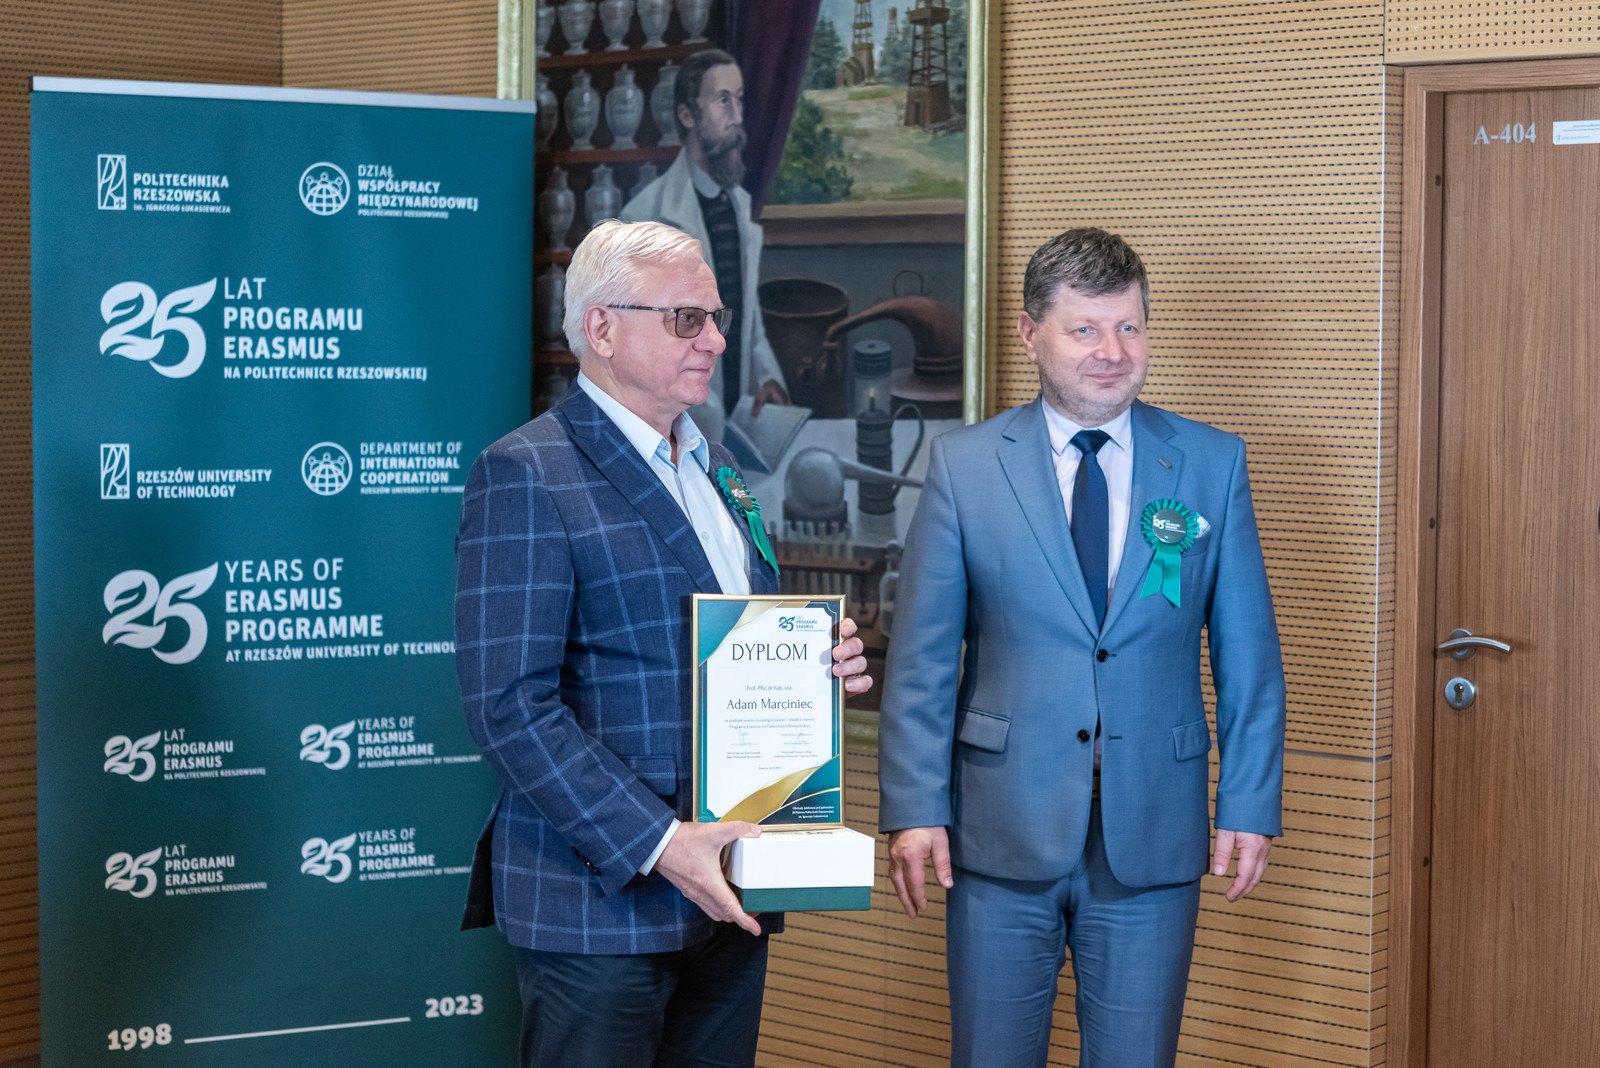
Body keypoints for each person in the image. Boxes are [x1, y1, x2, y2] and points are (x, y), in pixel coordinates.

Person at [454, 219, 872, 1067]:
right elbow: (509, 706)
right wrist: (661, 843)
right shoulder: (527, 472)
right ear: (602, 328)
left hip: (731, 888)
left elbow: (727, 646)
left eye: (716, 318)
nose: (715, 340)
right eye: (687, 318)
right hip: (599, 901)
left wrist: (818, 661)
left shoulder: (717, 468)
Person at [877, 227, 1285, 1068]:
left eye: (1129, 327)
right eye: (1086, 329)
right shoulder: (965, 467)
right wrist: (914, 807)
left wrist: (1249, 801)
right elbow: (921, 663)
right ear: (1031, 334)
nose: (1112, 352)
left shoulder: (1210, 464)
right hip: (999, 831)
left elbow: (1249, 657)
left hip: (1154, 829)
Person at [621, 48, 787, 444]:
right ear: (687, 116)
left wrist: (766, 377)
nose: (737, 116)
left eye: (739, 99)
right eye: (723, 100)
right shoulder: (644, 217)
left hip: (737, 428)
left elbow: (747, 316)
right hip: (671, 434)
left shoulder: (739, 207)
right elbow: (636, 347)